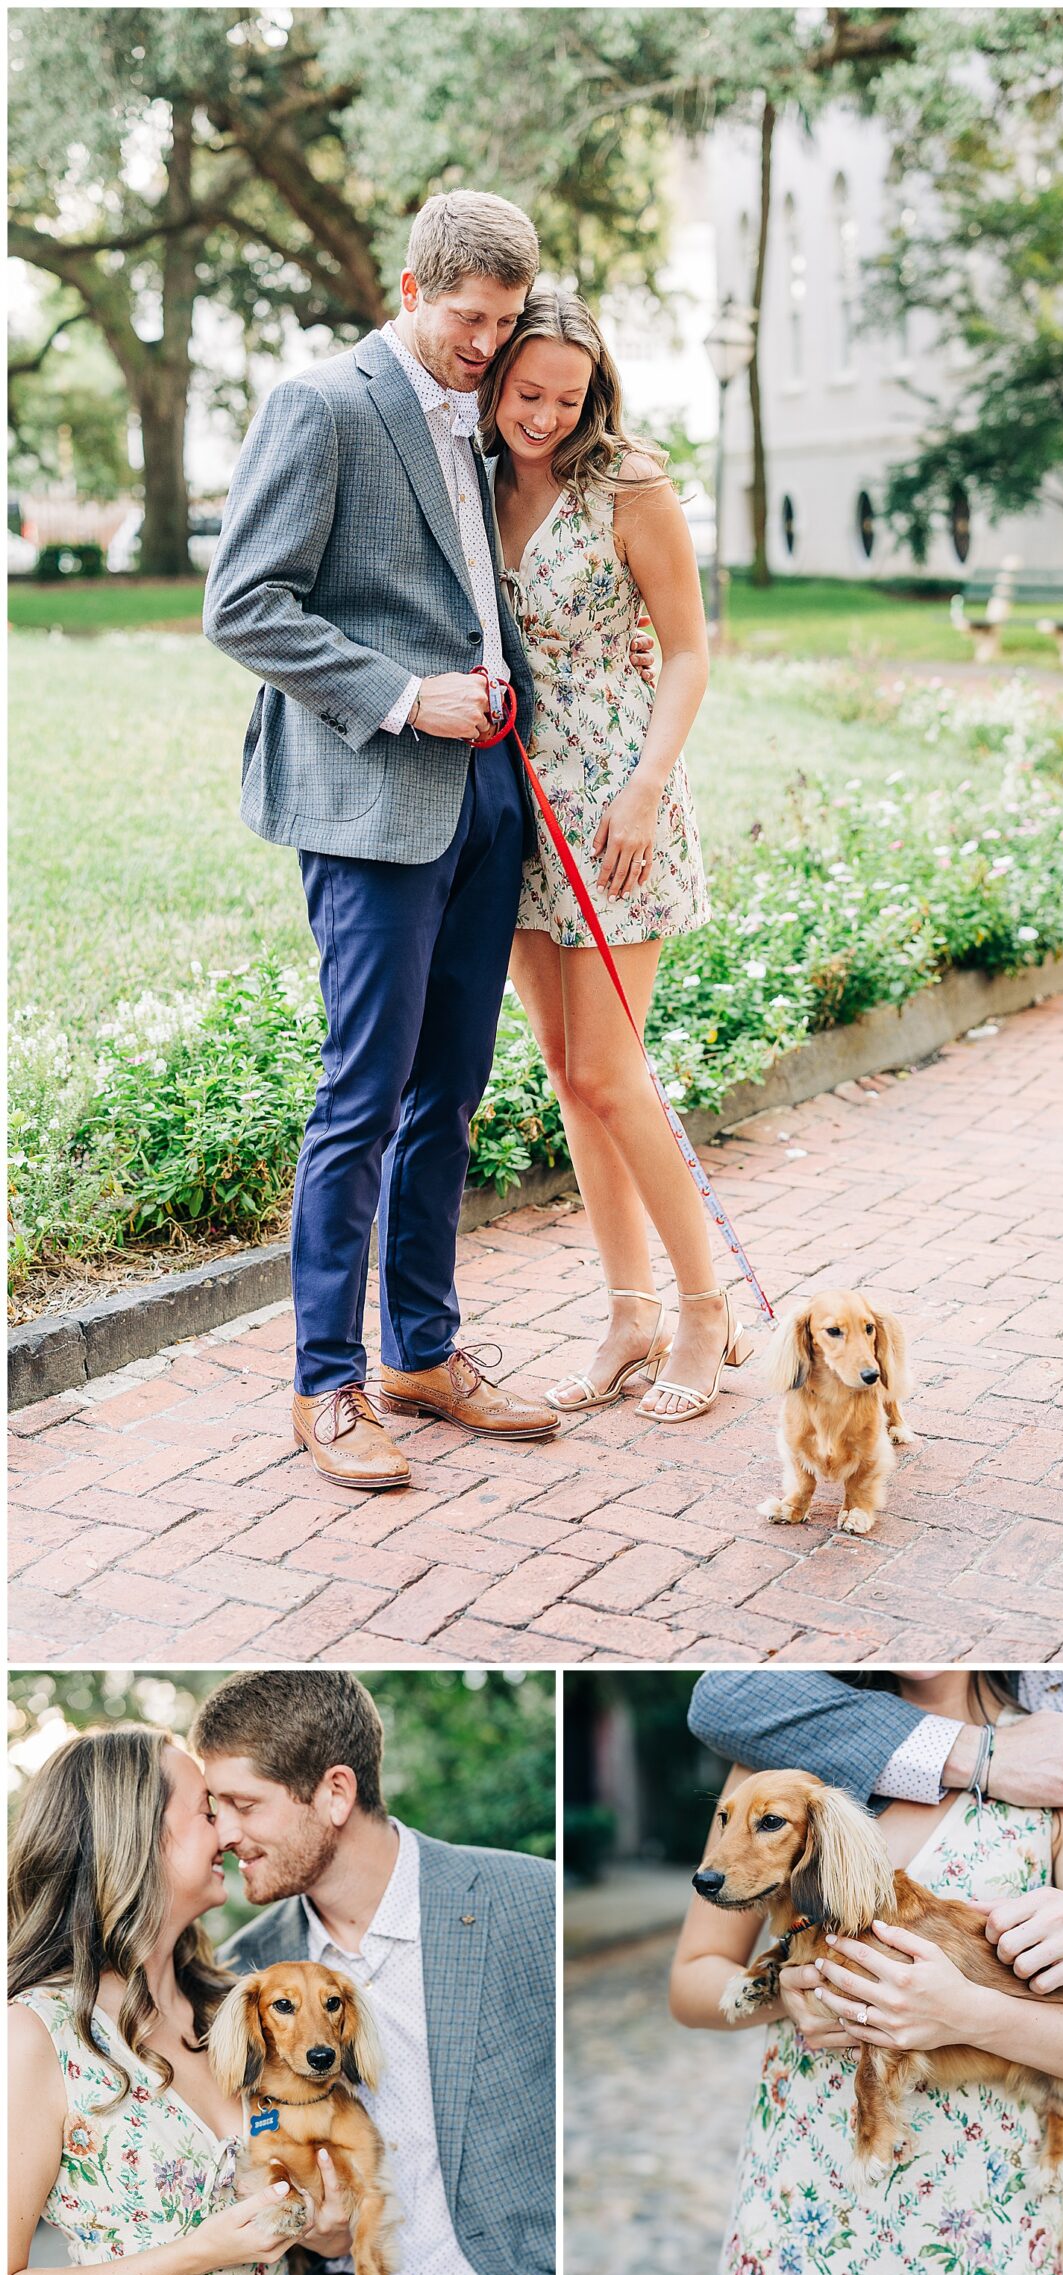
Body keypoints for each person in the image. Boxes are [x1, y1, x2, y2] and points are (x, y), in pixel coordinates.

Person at [203, 190, 560, 1490]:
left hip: (484, 796)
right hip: (371, 795)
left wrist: (505, 701)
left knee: (447, 1094)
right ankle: (324, 1384)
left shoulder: (477, 418)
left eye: (503, 321)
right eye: (467, 319)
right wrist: (410, 699)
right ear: (411, 292)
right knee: (359, 1095)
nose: (485, 344)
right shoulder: (324, 404)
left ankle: (421, 1351)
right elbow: (243, 604)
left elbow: (467, 594)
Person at [677, 1667, 1063, 2275]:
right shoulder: (778, 1753)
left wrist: (967, 2015)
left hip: (984, 2224)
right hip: (811, 2208)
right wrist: (776, 1995)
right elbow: (693, 1979)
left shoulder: (1062, 1767)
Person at [482, 289, 751, 1424]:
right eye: (527, 393)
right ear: (495, 382)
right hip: (509, 801)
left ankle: (705, 1305)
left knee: (610, 1072)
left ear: (599, 395)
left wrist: (645, 787)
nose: (545, 417)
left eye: (568, 397)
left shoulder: (628, 486)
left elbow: (687, 651)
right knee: (564, 1072)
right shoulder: (470, 477)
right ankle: (629, 1311)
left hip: (613, 805)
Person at [196, 1670, 554, 2275]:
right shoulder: (245, 1973)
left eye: (243, 1805)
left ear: (333, 1792)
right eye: (214, 1809)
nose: (222, 1833)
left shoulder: (526, 1902)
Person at [9, 1726, 344, 2275]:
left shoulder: (237, 2010)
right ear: (136, 1837)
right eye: (205, 1810)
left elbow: (286, 2199)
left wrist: (319, 2226)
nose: (230, 1831)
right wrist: (197, 2252)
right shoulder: (39, 2035)